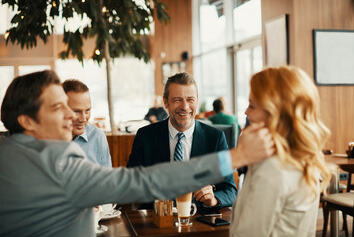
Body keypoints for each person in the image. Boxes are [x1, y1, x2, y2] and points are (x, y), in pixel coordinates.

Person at [0, 70, 274, 237]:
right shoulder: (58, 160)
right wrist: (236, 157)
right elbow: (140, 182)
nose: (72, 116)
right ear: (27, 120)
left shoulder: (7, 152)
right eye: (58, 108)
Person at [230, 66, 332, 237]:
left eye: (252, 106)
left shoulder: (272, 169)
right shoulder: (303, 157)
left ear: (275, 113)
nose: (246, 112)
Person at [127, 72, 238, 210]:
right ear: (166, 102)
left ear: (197, 101)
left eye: (190, 99)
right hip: (157, 219)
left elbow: (231, 191)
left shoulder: (215, 138)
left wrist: (213, 199)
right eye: (177, 100)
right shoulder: (145, 136)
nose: (185, 106)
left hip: (199, 220)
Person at [62, 79, 112, 167]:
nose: (83, 119)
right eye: (76, 111)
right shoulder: (44, 139)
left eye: (87, 110)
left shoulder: (97, 136)